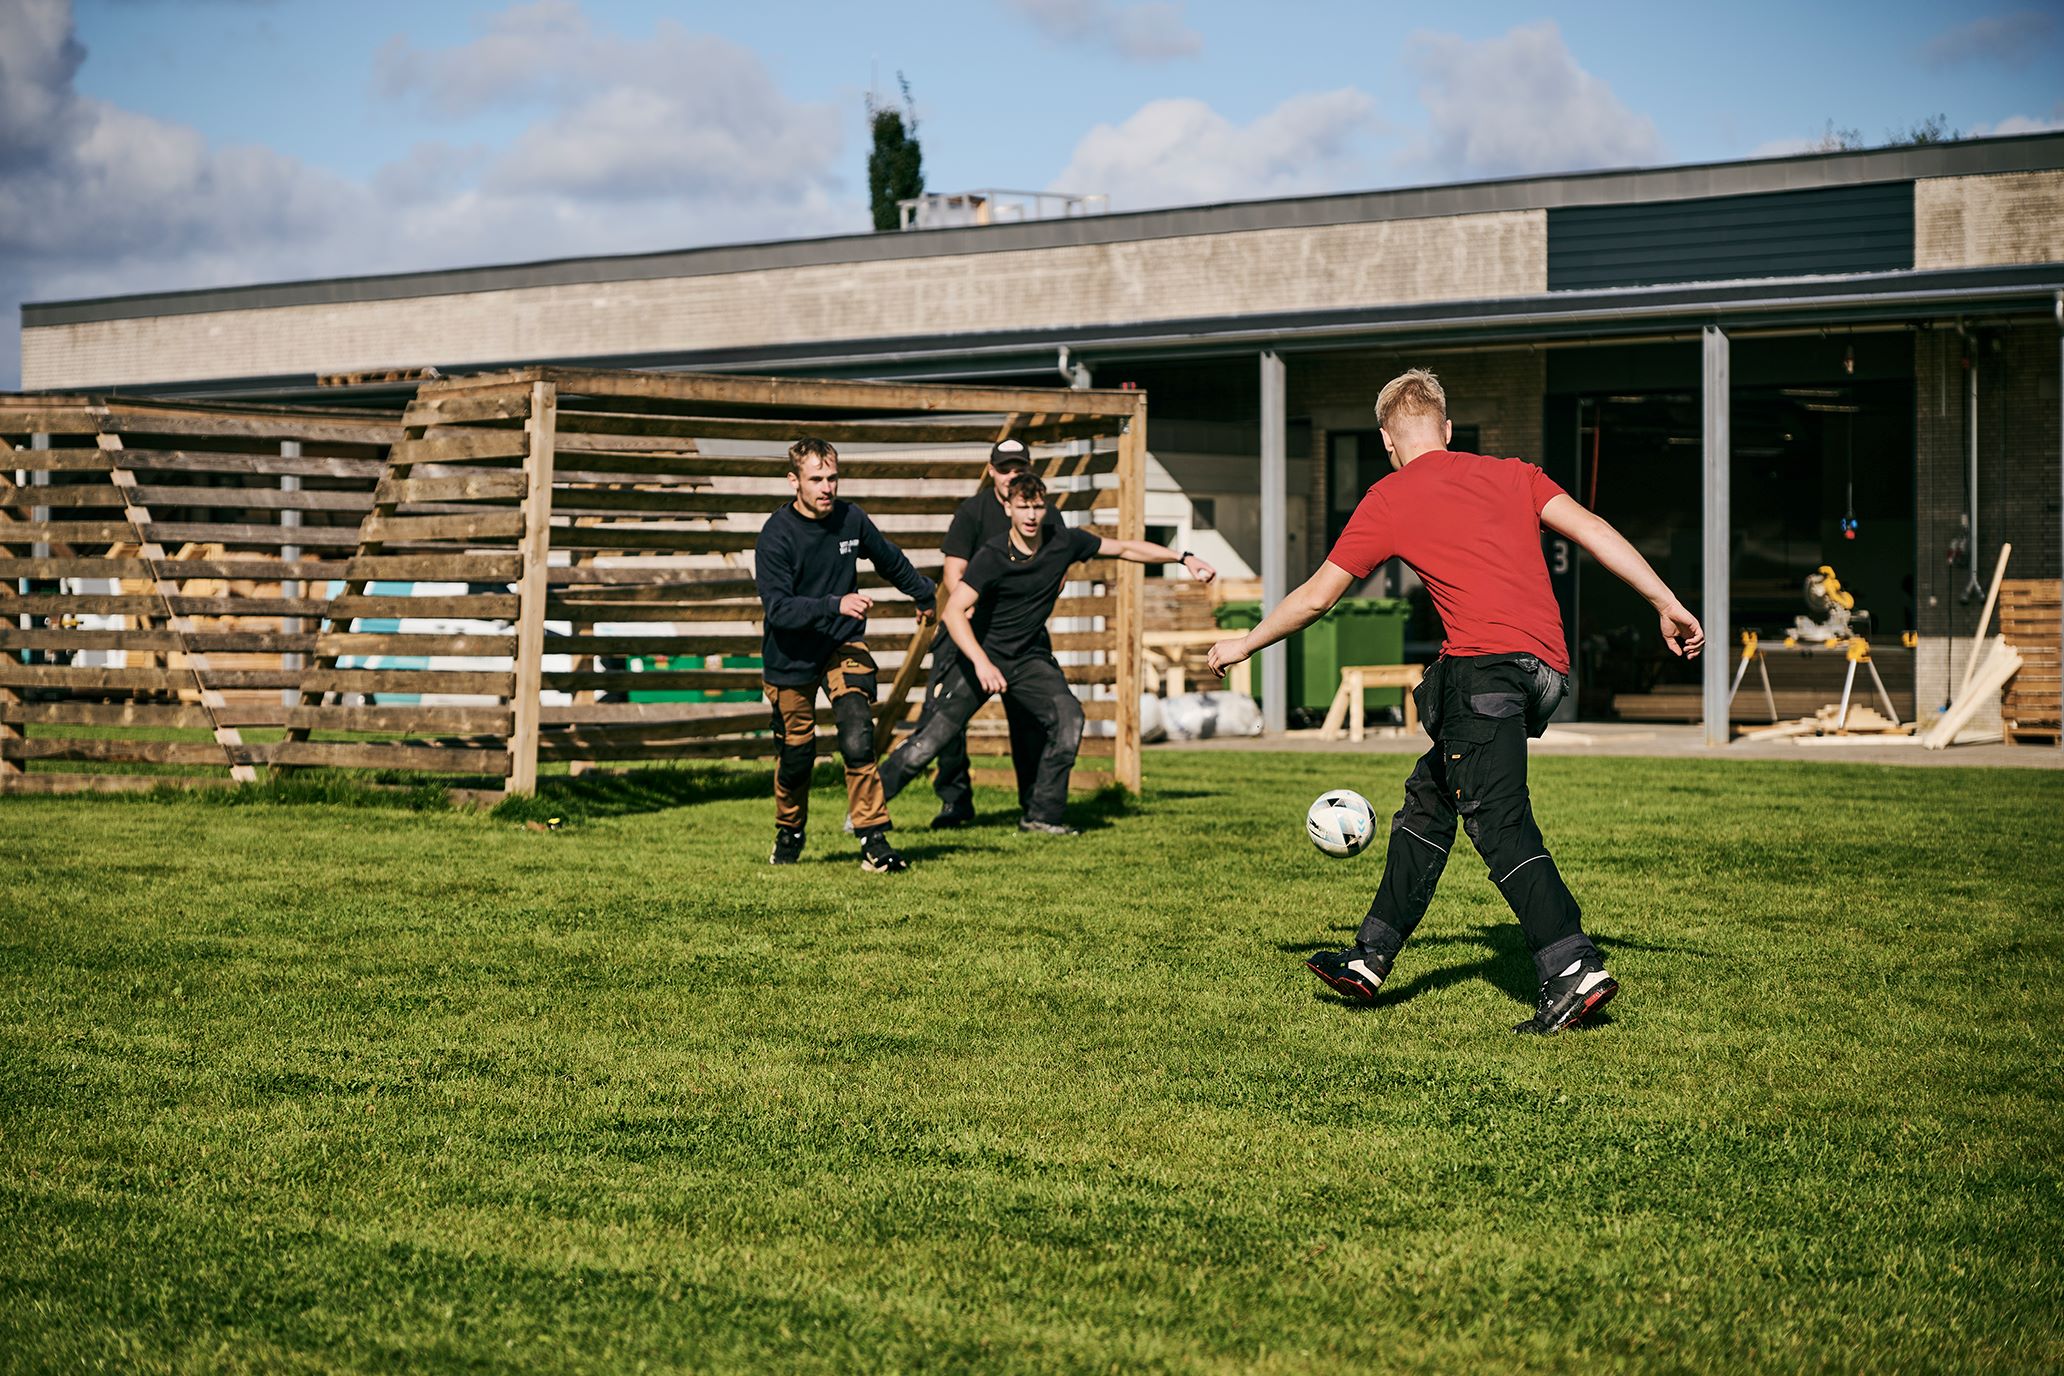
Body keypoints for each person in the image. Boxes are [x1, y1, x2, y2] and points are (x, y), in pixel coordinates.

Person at [1207, 368, 1704, 1034]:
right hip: (1543, 674)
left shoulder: (1388, 496)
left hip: (1485, 674)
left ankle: (1572, 968)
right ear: (1446, 428)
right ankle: (1369, 958)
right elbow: (1591, 528)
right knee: (1432, 798)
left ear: (1387, 439)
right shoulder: (1514, 473)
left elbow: (1318, 597)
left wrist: (1246, 644)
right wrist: (1665, 601)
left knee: (1497, 821)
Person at [882, 472, 1217, 834]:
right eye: (1023, 507)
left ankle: (1042, 815)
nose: (1030, 515)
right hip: (980, 657)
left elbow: (1124, 548)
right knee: (930, 741)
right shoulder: (992, 556)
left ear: (1046, 508)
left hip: (1028, 659)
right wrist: (981, 663)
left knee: (1069, 719)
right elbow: (953, 612)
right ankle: (867, 808)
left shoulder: (1063, 541)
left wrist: (1183, 557)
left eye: (1037, 507)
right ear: (1008, 507)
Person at [755, 437, 937, 873]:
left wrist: (924, 593)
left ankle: (873, 838)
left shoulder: (851, 519)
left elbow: (889, 559)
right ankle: (790, 829)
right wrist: (833, 603)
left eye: (832, 477)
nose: (826, 487)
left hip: (842, 643)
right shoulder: (775, 536)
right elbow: (779, 610)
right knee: (797, 756)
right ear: (793, 481)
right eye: (816, 479)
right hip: (790, 654)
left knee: (857, 731)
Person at [915, 439, 1060, 829]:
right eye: (1005, 468)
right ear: (992, 471)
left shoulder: (1045, 514)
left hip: (1021, 635)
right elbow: (953, 570)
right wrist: (967, 606)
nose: (1013, 474)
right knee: (943, 718)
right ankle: (955, 803)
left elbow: (1058, 566)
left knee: (1032, 720)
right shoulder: (973, 511)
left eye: (1020, 467)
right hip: (968, 629)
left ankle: (1035, 808)